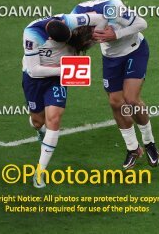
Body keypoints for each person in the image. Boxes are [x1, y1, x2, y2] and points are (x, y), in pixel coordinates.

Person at [71, 0, 159, 168]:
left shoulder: (112, 10)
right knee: (115, 102)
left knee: (131, 99)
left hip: (134, 50)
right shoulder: (75, 18)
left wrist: (116, 34)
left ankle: (149, 143)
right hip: (111, 58)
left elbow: (142, 23)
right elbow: (72, 47)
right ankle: (133, 149)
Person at [22, 12, 102, 188]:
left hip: (57, 80)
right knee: (37, 121)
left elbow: (100, 18)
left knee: (55, 119)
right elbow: (34, 70)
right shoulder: (31, 34)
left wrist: (99, 36)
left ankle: (39, 173)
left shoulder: (70, 20)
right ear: (50, 37)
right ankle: (40, 130)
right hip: (35, 79)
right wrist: (67, 70)